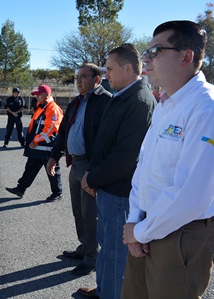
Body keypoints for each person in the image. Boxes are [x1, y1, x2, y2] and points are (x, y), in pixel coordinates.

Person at [122, 21, 214, 299]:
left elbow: (192, 194)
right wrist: (135, 221)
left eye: (156, 50)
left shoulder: (205, 107)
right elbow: (144, 170)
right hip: (146, 228)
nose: (146, 58)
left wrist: (141, 231)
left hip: (181, 235)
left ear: (186, 56)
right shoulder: (165, 104)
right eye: (146, 50)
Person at [78, 44, 156, 299]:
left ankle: (110, 293)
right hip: (107, 188)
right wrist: (93, 174)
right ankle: (103, 290)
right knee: (107, 247)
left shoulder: (139, 101)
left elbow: (125, 157)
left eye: (110, 69)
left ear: (128, 68)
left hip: (120, 192)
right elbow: (105, 142)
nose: (107, 75)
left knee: (114, 254)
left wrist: (92, 177)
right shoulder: (122, 95)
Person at [47, 63, 111, 277]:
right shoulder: (75, 102)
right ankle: (85, 247)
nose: (79, 80)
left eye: (84, 76)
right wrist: (54, 156)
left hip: (90, 166)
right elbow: (63, 132)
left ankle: (92, 257)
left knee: (90, 213)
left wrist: (94, 172)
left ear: (97, 79)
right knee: (78, 211)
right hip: (74, 163)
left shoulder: (106, 102)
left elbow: (107, 140)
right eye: (77, 76)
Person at [6, 84, 64, 201]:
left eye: (38, 94)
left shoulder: (52, 108)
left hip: (46, 146)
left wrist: (37, 140)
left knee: (51, 169)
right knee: (30, 167)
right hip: (38, 145)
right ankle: (20, 189)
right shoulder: (42, 106)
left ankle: (57, 192)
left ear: (46, 95)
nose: (36, 97)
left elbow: (51, 129)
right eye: (35, 95)